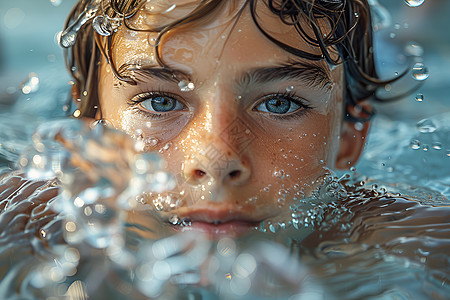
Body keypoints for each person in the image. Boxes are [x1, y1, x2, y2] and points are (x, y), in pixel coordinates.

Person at [1, 0, 449, 299]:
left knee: (400, 53)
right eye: (161, 102)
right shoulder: (31, 220)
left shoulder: (403, 240)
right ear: (91, 132)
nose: (216, 160)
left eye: (280, 103)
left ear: (350, 137)